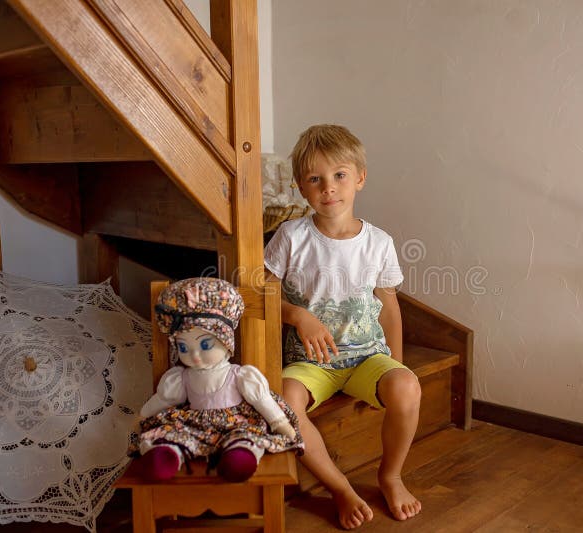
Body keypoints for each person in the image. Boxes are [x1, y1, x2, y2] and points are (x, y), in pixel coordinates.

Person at [264, 124, 422, 529]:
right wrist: (297, 315)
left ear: (360, 179)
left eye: (339, 175)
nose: (328, 188)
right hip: (311, 363)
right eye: (315, 179)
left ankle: (390, 475)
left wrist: (397, 367)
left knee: (407, 385)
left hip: (366, 357)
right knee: (282, 399)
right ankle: (340, 488)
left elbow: (388, 307)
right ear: (301, 187)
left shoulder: (379, 243)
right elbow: (260, 292)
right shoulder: (290, 236)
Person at [134, 277, 303, 482]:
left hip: (236, 423)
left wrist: (281, 424)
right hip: (193, 423)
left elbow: (262, 400)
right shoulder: (181, 378)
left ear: (226, 341)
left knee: (245, 438)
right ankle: (168, 456)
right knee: (173, 435)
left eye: (205, 345)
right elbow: (164, 400)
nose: (194, 356)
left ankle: (237, 458)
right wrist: (142, 417)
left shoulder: (241, 375)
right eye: (184, 348)